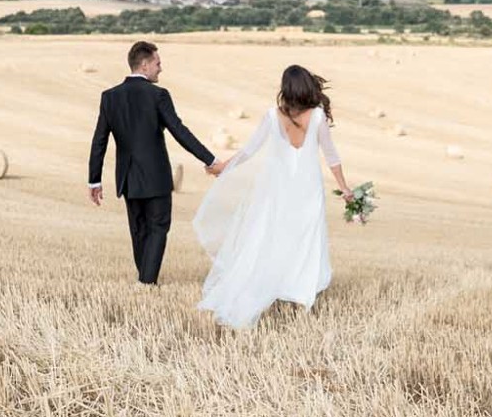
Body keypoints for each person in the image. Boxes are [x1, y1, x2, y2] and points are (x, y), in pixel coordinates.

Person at [192, 64, 351, 329]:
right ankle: (299, 292)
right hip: (308, 190)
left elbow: (248, 151)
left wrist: (223, 168)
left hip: (278, 191)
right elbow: (332, 157)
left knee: (272, 237)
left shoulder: (272, 115)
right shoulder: (319, 117)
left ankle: (278, 287)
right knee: (307, 241)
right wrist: (344, 188)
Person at [87, 41, 226, 284]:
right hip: (156, 176)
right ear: (145, 64)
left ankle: (145, 278)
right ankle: (146, 283)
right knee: (158, 228)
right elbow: (180, 132)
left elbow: (99, 141)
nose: (161, 68)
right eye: (158, 63)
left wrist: (94, 180)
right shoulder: (158, 95)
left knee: (139, 231)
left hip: (128, 178)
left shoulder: (110, 97)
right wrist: (211, 160)